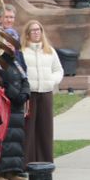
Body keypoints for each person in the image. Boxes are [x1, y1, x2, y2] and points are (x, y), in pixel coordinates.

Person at [0, 14, 30, 180]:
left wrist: (25, 93)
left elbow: (25, 78)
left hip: (18, 106)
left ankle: (13, 170)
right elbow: (2, 80)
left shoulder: (18, 61)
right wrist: (15, 95)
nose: (11, 46)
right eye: (7, 42)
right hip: (5, 105)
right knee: (4, 139)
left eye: (13, 43)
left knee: (16, 138)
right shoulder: (0, 61)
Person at [22, 19, 64, 164]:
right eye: (33, 30)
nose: (36, 33)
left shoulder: (49, 51)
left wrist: (52, 81)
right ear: (27, 34)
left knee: (45, 127)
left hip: (45, 93)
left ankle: (46, 161)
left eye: (38, 30)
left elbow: (58, 70)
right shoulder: (23, 51)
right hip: (30, 94)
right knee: (29, 128)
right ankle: (28, 162)